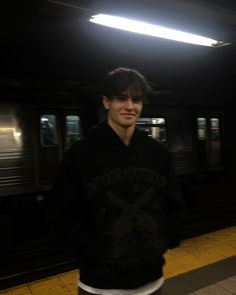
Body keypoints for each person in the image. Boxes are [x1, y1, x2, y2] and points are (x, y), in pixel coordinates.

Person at [52, 67, 185, 295]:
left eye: (136, 99)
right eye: (121, 98)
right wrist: (91, 253)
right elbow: (62, 213)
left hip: (151, 281)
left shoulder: (158, 153)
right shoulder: (81, 154)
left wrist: (162, 243)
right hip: (99, 285)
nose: (130, 106)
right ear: (106, 102)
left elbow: (174, 205)